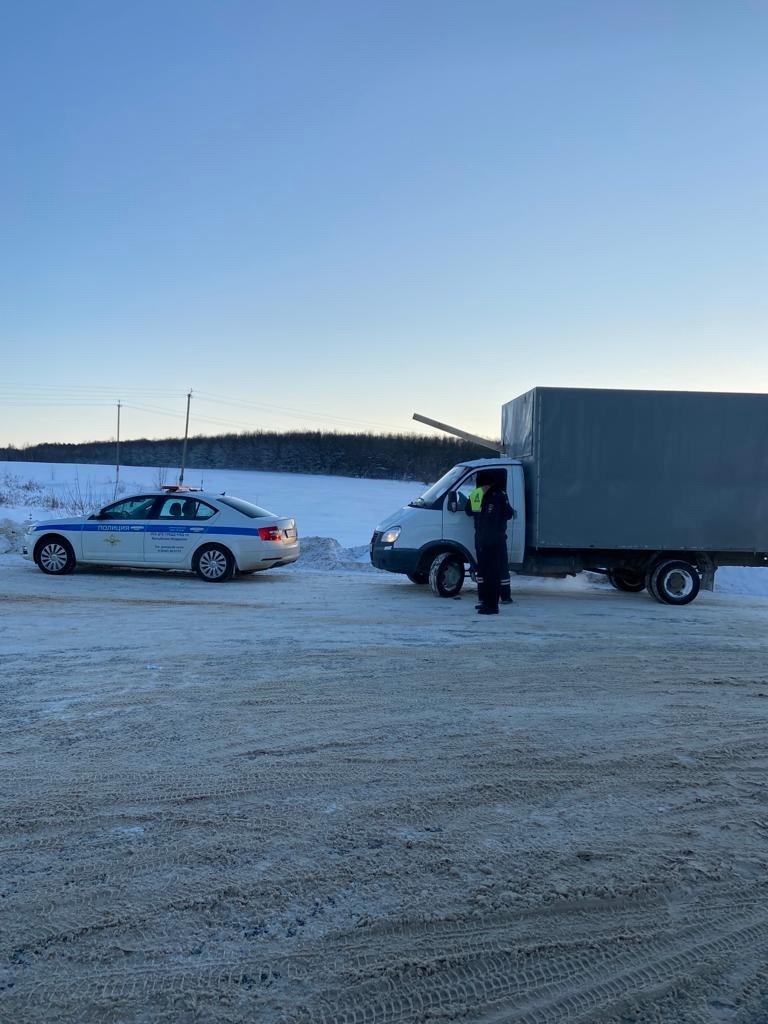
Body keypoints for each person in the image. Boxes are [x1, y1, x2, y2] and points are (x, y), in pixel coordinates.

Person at [465, 468, 515, 614]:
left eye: (485, 486)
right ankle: (485, 601)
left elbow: (508, 514)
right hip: (482, 540)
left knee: (493, 573)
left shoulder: (498, 496)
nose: (483, 488)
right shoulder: (478, 494)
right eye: (480, 486)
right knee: (485, 572)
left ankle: (493, 605)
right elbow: (470, 511)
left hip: (495, 541)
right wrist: (476, 497)